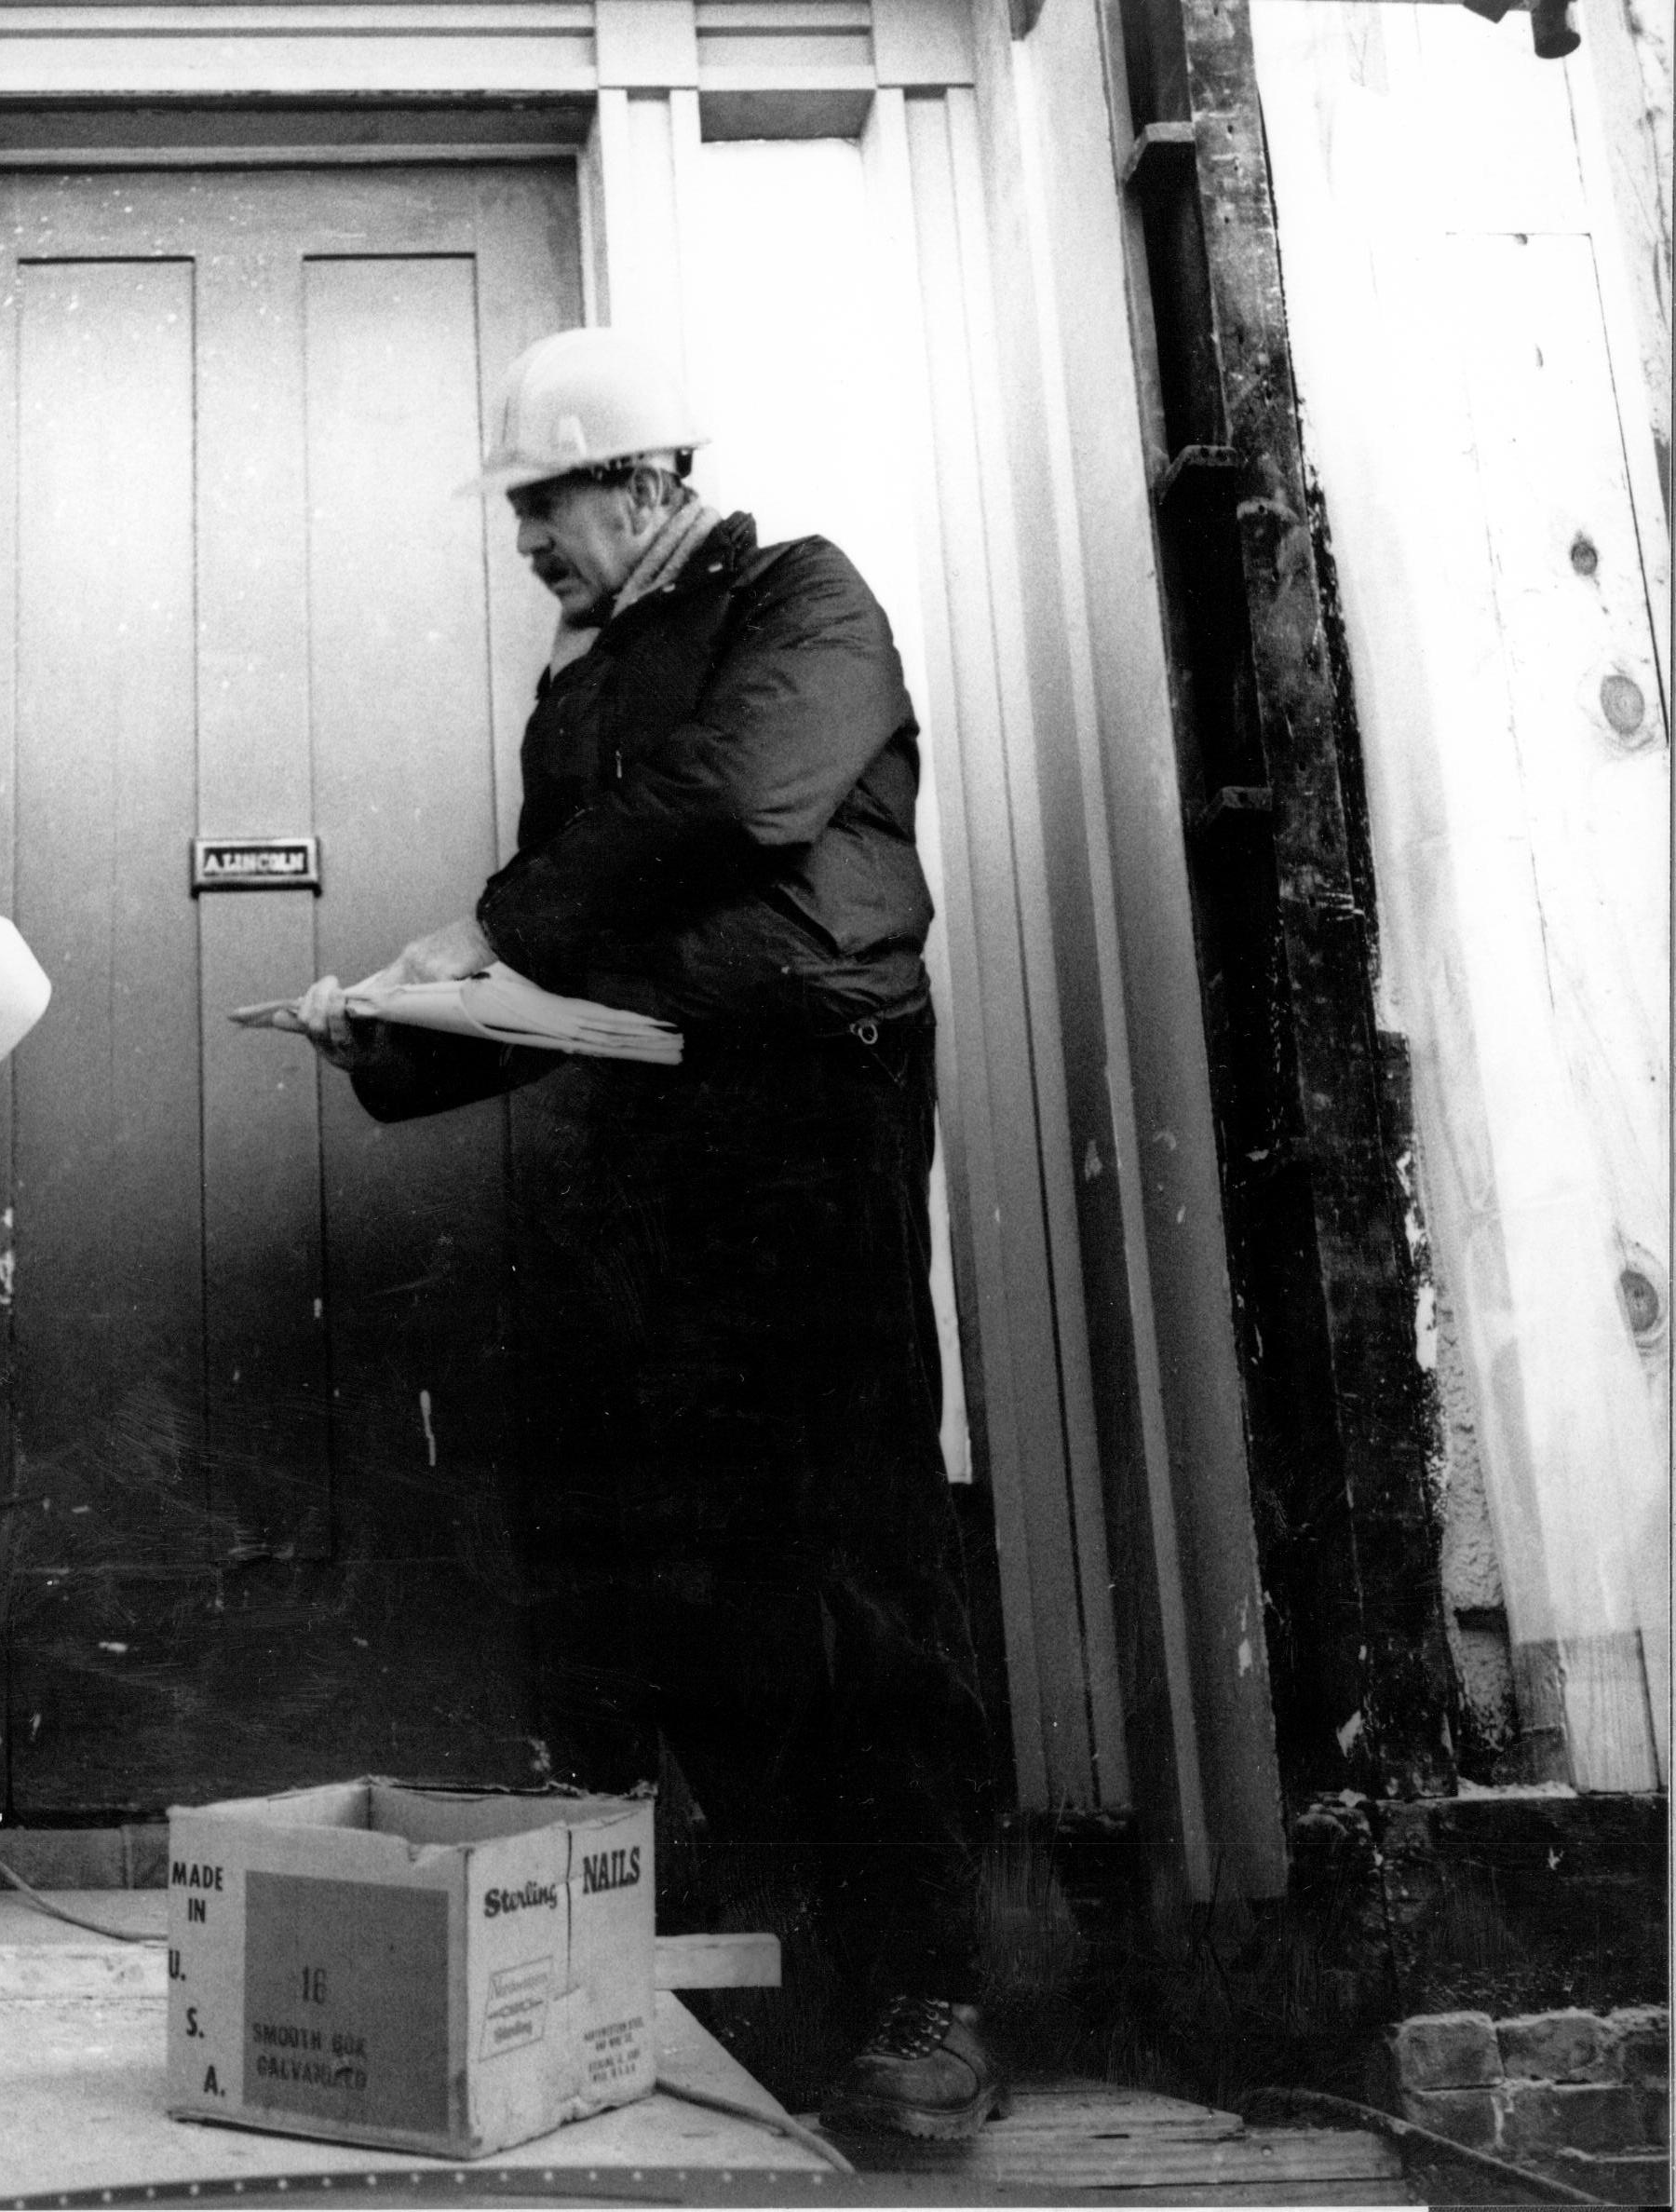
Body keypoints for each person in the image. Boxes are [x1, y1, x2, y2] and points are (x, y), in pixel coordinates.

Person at [294, 327, 1005, 2140]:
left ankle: (931, 1995)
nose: (525, 541)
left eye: (545, 502)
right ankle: (791, 1994)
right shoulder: (579, 685)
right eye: (520, 508)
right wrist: (389, 1026)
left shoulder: (804, 605)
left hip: (810, 1127)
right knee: (691, 1573)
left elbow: (733, 807)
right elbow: (567, 975)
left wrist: (491, 928)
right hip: (645, 1161)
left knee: (857, 1554)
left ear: (647, 480)